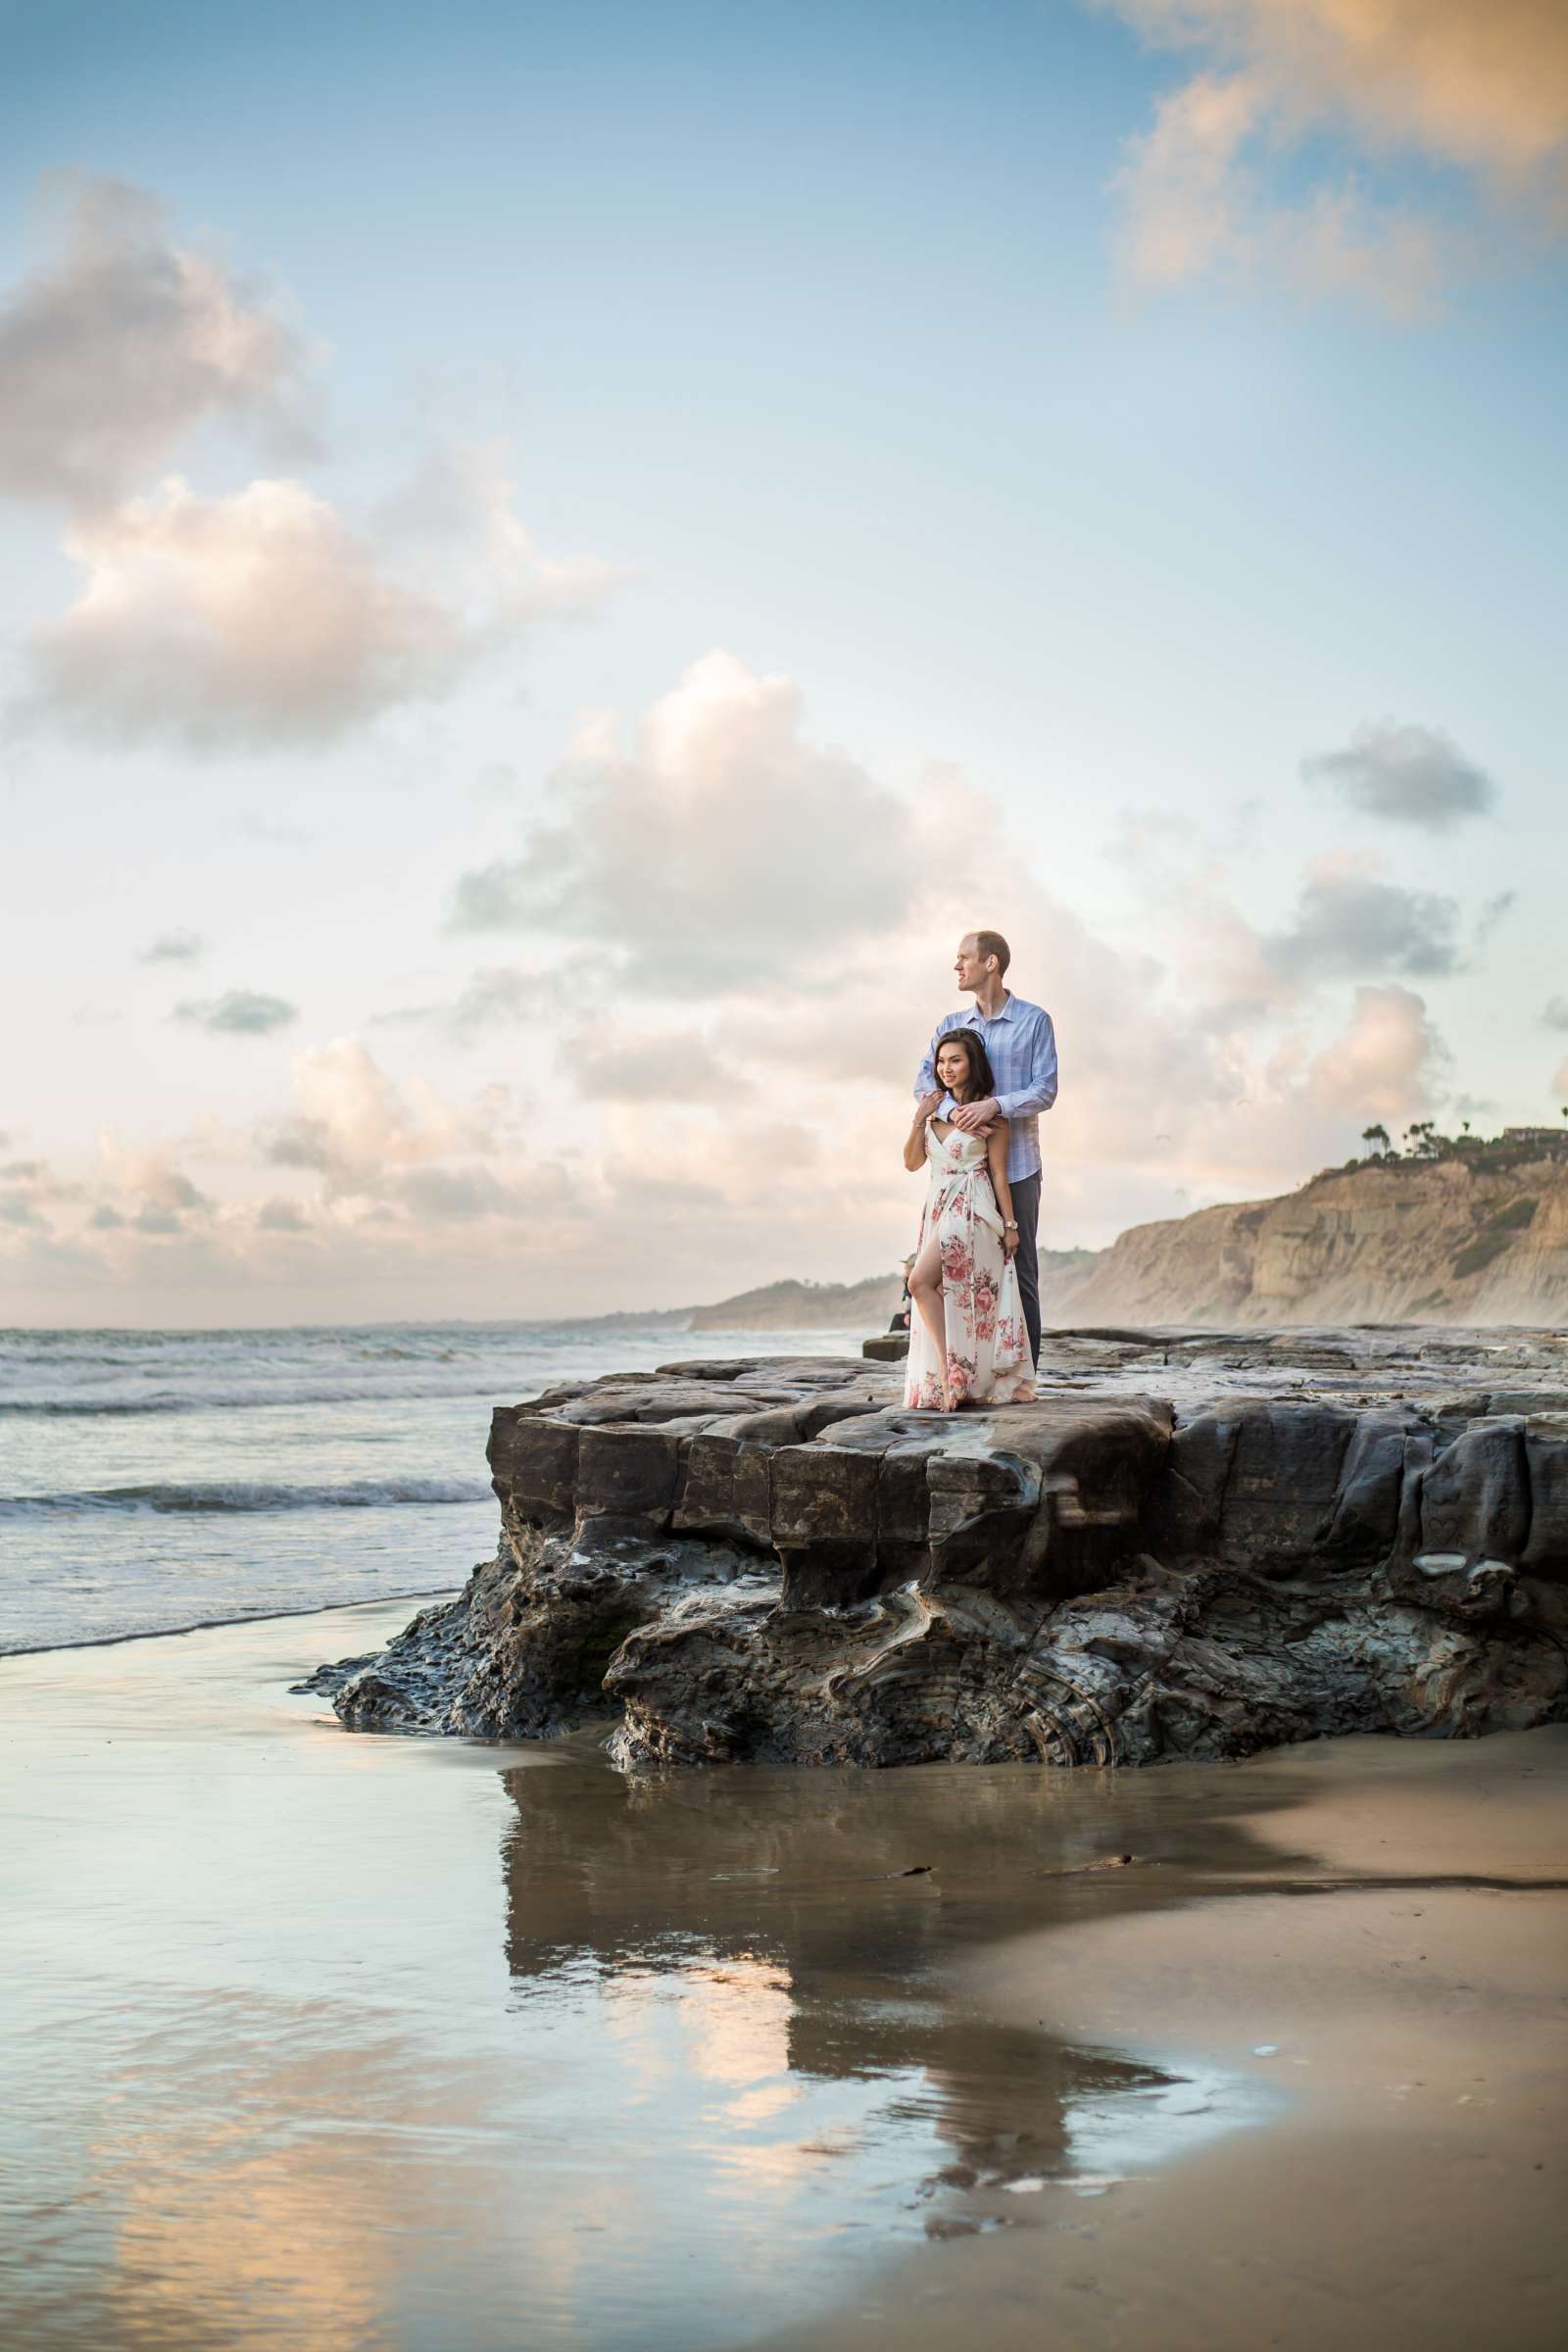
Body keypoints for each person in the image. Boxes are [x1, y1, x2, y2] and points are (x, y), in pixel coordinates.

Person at [913, 930, 1058, 1365]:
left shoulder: (1034, 1021)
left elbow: (1045, 1090)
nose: (956, 967)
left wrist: (994, 1106)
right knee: (954, 1272)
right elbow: (924, 1082)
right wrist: (954, 1113)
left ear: (990, 963)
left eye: (964, 958)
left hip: (1017, 1168)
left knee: (1020, 1272)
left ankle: (1023, 1375)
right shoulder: (950, 1027)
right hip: (959, 1174)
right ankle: (966, 1368)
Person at [902, 1028, 1035, 1411]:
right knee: (949, 1295)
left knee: (919, 1282)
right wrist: (919, 1117)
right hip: (938, 1207)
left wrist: (1010, 1226)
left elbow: (997, 1174)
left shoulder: (992, 1118)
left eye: (955, 1060)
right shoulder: (934, 1115)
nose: (946, 1068)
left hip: (972, 1208)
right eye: (941, 1061)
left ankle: (950, 1377)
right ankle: (959, 1379)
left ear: (972, 1064)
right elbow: (911, 1164)